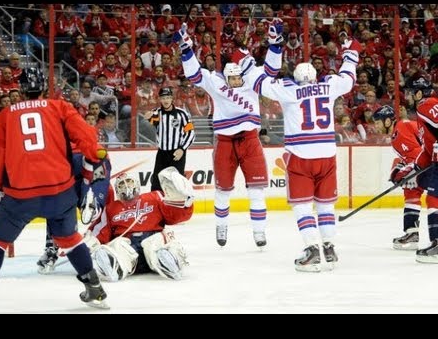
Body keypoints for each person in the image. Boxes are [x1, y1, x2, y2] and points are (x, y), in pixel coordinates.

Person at [0, 68, 109, 313]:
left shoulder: (5, 115)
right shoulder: (59, 107)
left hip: (21, 195)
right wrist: (94, 158)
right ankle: (94, 287)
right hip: (60, 191)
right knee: (69, 238)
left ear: (19, 90)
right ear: (44, 89)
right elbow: (87, 136)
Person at [241, 22, 360, 271]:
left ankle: (312, 250)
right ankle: (329, 247)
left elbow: (259, 84)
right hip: (327, 153)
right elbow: (348, 79)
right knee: (326, 204)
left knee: (302, 205)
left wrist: (246, 63)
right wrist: (351, 53)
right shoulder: (328, 86)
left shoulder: (289, 90)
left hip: (300, 154)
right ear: (315, 76)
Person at [174, 24, 269, 248]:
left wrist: (272, 46)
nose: (237, 82)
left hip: (250, 140)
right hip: (225, 141)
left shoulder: (253, 80)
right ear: (225, 77)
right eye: (233, 79)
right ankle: (221, 226)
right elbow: (194, 74)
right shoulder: (215, 81)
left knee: (256, 190)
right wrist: (186, 50)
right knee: (222, 189)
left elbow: (271, 68)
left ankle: (259, 232)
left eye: (239, 78)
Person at [84, 167, 194, 281]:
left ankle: (171, 263)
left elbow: (175, 216)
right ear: (117, 190)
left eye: (129, 182)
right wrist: (89, 242)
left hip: (152, 239)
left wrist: (184, 202)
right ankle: (115, 267)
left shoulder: (155, 196)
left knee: (156, 242)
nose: (127, 186)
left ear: (136, 184)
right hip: (130, 248)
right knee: (119, 244)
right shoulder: (111, 208)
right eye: (121, 184)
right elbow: (101, 230)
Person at [36, 113, 112, 274]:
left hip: (64, 169)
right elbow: (97, 152)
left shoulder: (53, 133)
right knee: (103, 191)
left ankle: (51, 251)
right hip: (88, 163)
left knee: (55, 207)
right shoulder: (83, 129)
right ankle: (93, 204)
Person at [391, 96, 438, 263]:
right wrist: (411, 170)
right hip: (433, 162)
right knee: (433, 199)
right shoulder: (419, 125)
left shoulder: (426, 105)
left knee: (432, 198)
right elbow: (425, 152)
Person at [144, 86, 195, 192]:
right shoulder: (157, 113)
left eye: (167, 97)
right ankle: (155, 206)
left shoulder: (182, 114)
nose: (165, 100)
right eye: (163, 98)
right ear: (160, 99)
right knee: (157, 182)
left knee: (177, 183)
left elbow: (191, 133)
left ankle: (177, 207)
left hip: (177, 153)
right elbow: (152, 119)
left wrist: (182, 149)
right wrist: (148, 116)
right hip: (162, 153)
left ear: (172, 98)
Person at [388, 110, 423, 250]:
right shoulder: (402, 127)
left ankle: (412, 234)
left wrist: (403, 173)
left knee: (413, 188)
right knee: (412, 190)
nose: (376, 126)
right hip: (430, 157)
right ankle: (411, 233)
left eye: (378, 122)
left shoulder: (399, 130)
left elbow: (416, 155)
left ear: (388, 121)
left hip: (429, 159)